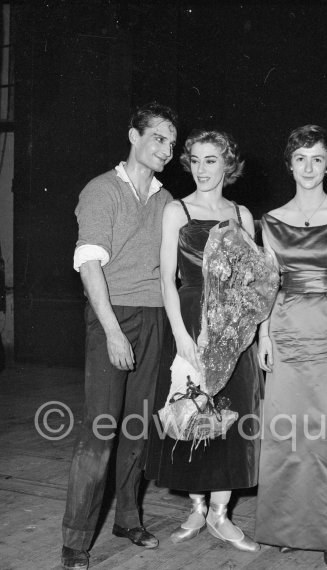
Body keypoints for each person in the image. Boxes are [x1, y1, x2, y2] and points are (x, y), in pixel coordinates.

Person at [61, 102, 178, 570]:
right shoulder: (102, 190)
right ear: (133, 136)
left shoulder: (169, 202)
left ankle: (127, 517)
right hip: (112, 316)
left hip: (155, 319)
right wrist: (111, 330)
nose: (166, 150)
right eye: (157, 138)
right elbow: (89, 264)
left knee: (138, 428)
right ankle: (75, 539)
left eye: (172, 143)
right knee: (101, 430)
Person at [255, 125, 327, 570]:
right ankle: (287, 528)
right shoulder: (271, 220)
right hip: (284, 328)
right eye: (300, 158)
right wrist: (263, 334)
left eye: (317, 158)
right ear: (289, 163)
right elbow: (266, 286)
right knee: (285, 435)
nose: (308, 167)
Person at [144, 129, 261, 553]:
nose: (202, 169)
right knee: (190, 408)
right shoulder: (177, 211)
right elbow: (166, 278)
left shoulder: (243, 214)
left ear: (227, 164)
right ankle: (196, 507)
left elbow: (252, 283)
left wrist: (249, 333)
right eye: (194, 160)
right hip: (191, 320)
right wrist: (180, 334)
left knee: (232, 413)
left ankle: (220, 514)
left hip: (231, 326)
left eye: (211, 160)